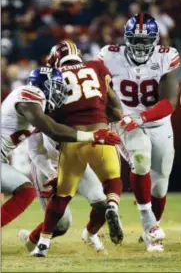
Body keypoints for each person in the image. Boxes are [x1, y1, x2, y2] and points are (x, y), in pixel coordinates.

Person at [31, 40, 124, 257]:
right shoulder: (97, 67)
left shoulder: (51, 77)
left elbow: (48, 121)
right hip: (101, 136)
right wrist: (104, 114)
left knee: (62, 195)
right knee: (113, 180)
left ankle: (42, 244)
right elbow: (117, 110)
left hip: (71, 141)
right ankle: (113, 204)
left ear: (55, 59)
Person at [98, 13, 180, 251]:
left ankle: (152, 229)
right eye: (136, 39)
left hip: (158, 122)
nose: (141, 45)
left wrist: (142, 117)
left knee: (160, 184)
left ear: (155, 40)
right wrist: (118, 116)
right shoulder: (110, 55)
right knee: (141, 158)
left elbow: (170, 102)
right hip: (124, 120)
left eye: (146, 41)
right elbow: (102, 91)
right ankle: (149, 223)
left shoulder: (166, 57)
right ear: (126, 38)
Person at [1, 66, 120, 228]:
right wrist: (92, 136)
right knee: (26, 192)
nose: (60, 93)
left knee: (26, 191)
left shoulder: (33, 104)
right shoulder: (29, 96)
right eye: (56, 87)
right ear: (43, 85)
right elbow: (53, 130)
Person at [18, 132, 107, 253]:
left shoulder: (78, 114)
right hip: (48, 167)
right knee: (62, 224)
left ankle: (90, 235)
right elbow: (35, 150)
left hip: (76, 163)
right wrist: (51, 174)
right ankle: (32, 239)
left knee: (103, 204)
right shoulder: (40, 115)